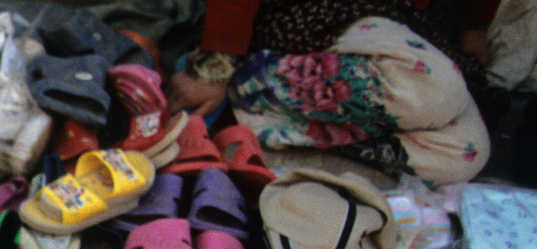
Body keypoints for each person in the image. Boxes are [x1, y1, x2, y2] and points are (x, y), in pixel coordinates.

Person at [166, 0, 496, 183]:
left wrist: (475, 25)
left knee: (466, 154)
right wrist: (215, 64)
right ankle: (250, 85)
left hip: (409, 23)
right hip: (326, 15)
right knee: (434, 87)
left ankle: (252, 128)